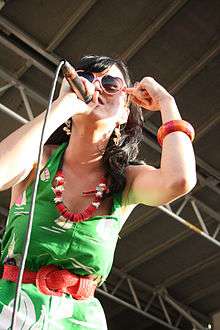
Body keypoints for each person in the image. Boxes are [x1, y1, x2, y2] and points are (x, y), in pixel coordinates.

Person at [0, 55, 197, 329]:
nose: (97, 87)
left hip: (80, 322)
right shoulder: (37, 158)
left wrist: (167, 102)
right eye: (86, 78)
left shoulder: (126, 180)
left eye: (111, 83)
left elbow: (179, 181)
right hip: (9, 311)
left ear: (125, 113)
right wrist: (64, 105)